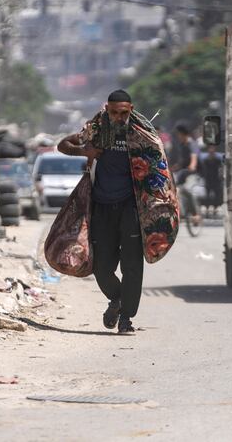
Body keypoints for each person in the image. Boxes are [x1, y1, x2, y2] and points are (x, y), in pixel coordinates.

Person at [57, 90, 178, 334]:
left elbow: (159, 165)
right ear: (107, 110)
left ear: (131, 109)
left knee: (132, 266)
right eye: (114, 113)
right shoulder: (97, 131)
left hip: (132, 208)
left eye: (124, 113)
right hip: (101, 207)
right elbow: (63, 145)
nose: (119, 117)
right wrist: (86, 152)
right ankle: (117, 298)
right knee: (101, 267)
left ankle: (126, 319)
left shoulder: (142, 134)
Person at [169, 123, 202, 225]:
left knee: (188, 191)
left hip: (194, 173)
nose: (178, 137)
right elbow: (182, 161)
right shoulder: (182, 145)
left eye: (178, 134)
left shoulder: (191, 143)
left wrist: (192, 165)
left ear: (183, 134)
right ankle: (180, 212)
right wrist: (172, 168)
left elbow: (194, 156)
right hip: (184, 173)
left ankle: (196, 214)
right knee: (176, 189)